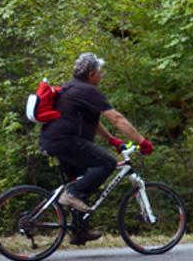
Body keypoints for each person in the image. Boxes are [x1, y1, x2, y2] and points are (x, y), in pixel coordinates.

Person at [38, 52, 154, 244]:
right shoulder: (88, 91)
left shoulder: (70, 88)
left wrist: (112, 140)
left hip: (53, 140)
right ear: (91, 74)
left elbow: (92, 122)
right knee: (107, 163)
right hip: (66, 140)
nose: (102, 75)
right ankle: (72, 195)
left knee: (81, 180)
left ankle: (79, 231)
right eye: (100, 72)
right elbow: (117, 119)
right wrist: (142, 141)